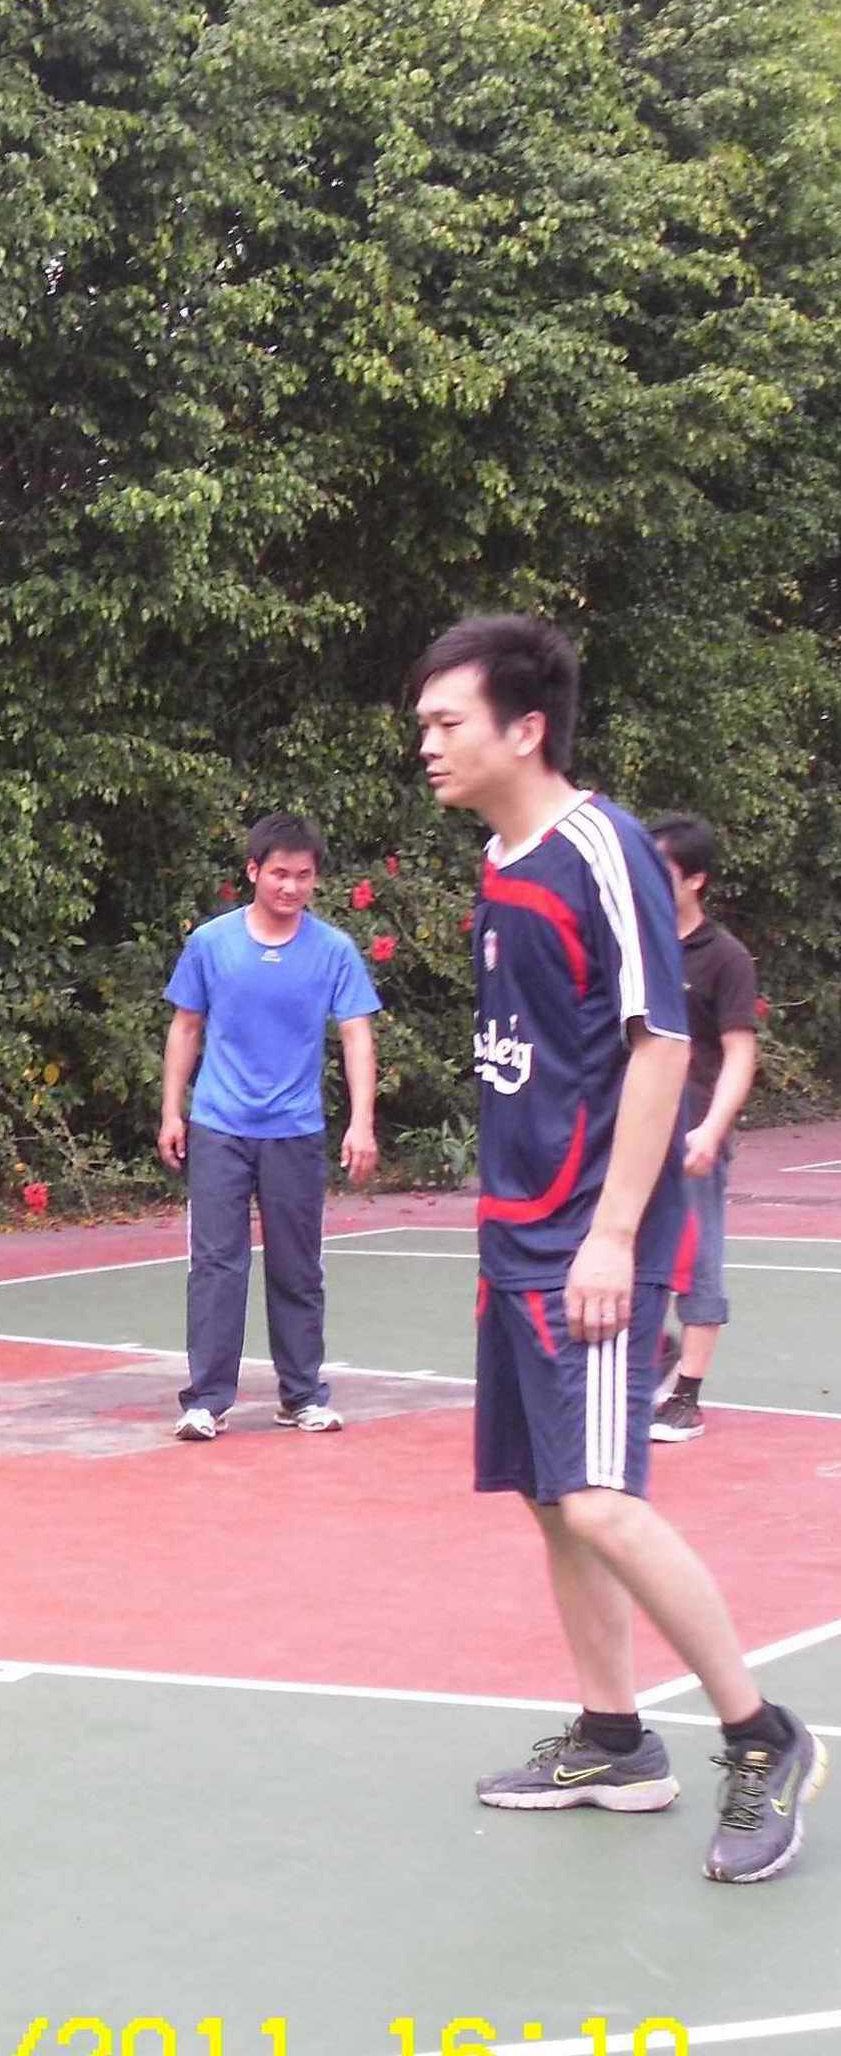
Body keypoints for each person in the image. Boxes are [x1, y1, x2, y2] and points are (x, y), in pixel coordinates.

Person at [415, 613, 817, 1882]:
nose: (427, 743)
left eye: (448, 722)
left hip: (591, 1239)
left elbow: (661, 1043)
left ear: (525, 728)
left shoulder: (605, 850)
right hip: (520, 1234)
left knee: (601, 1498)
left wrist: (611, 1236)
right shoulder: (501, 861)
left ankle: (762, 1738)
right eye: (425, 724)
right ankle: (614, 1740)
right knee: (553, 1499)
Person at [156, 813, 382, 1441]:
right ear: (253, 871)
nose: (291, 886)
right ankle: (206, 1401)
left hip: (296, 1132)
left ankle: (302, 1395)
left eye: (303, 876)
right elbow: (186, 1027)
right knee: (216, 1266)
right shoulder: (211, 943)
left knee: (297, 1266)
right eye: (279, 873)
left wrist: (361, 1122)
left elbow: (356, 1035)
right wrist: (172, 1111)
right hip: (219, 1128)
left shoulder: (334, 950)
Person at [643, 813, 760, 1445]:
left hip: (691, 1133)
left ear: (695, 879)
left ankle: (686, 1397)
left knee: (697, 1261)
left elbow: (740, 1053)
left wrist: (712, 1129)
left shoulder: (724, 957)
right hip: (632, 1131)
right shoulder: (634, 947)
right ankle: (653, 1350)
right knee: (619, 1251)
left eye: (659, 871)